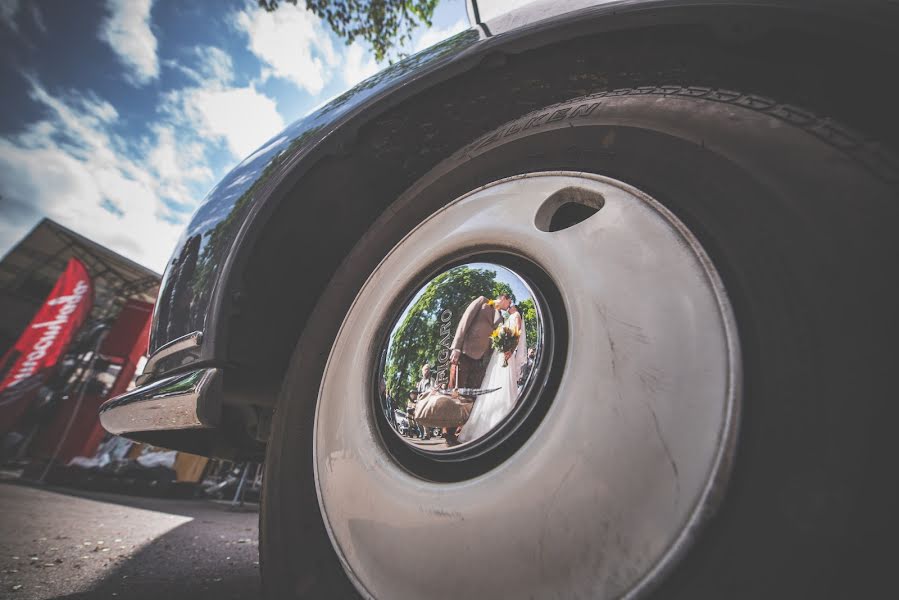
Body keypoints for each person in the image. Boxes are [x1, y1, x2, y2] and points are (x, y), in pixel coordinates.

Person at [446, 294, 510, 445]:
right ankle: (448, 434)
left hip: (481, 360)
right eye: (509, 301)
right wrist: (456, 347)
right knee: (456, 392)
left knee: (472, 397)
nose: (509, 305)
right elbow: (464, 322)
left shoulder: (500, 317)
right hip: (465, 353)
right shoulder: (482, 302)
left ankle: (460, 431)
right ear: (502, 298)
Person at [458, 303, 527, 443]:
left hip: (506, 353)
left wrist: (510, 350)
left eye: (512, 305)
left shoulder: (517, 316)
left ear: (516, 309)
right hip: (500, 353)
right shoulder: (506, 317)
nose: (510, 307)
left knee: (503, 385)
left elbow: (517, 334)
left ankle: (500, 424)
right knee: (492, 383)